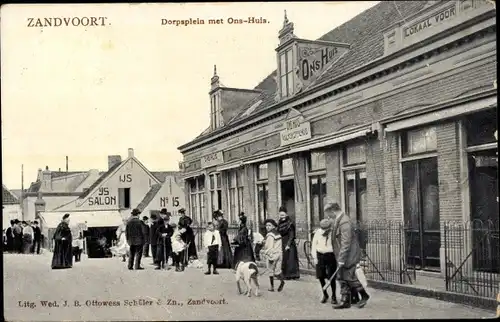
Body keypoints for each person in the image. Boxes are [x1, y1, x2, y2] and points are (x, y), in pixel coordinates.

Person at [325, 202, 370, 309]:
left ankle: (364, 295)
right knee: (342, 276)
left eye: (328, 213)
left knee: (350, 277)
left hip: (349, 255)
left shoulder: (344, 222)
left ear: (332, 211)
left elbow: (346, 242)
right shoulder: (339, 220)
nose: (328, 216)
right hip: (343, 255)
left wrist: (341, 258)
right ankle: (345, 301)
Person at [312, 219, 338, 304]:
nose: (324, 230)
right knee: (320, 276)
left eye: (326, 229)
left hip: (330, 255)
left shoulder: (333, 233)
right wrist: (315, 257)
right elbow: (314, 245)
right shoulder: (318, 233)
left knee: (332, 277)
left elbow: (337, 245)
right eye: (322, 228)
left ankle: (334, 296)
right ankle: (325, 294)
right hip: (320, 255)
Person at [260, 218, 285, 292]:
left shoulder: (270, 235)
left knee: (270, 271)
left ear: (273, 226)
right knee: (278, 271)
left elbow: (269, 247)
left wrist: (263, 252)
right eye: (266, 225)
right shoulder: (277, 234)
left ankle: (272, 287)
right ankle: (282, 281)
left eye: (269, 225)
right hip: (279, 254)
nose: (267, 227)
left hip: (272, 255)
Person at [277, 206, 300, 280]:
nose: (282, 217)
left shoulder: (290, 223)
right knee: (284, 258)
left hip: (289, 243)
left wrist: (288, 244)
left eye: (283, 215)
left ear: (286, 215)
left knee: (290, 259)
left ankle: (292, 275)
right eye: (280, 215)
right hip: (282, 241)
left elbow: (291, 234)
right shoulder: (279, 222)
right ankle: (284, 274)